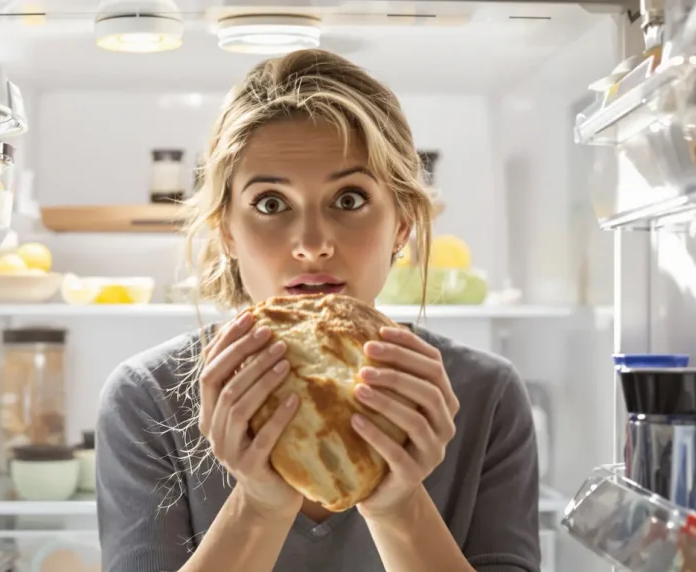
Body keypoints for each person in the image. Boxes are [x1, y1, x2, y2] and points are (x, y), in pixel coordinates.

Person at [96, 49, 540, 572]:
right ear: (227, 232)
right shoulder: (148, 400)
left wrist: (397, 504)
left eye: (349, 199)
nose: (311, 243)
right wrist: (259, 505)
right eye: (269, 203)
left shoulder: (485, 397)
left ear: (401, 224)